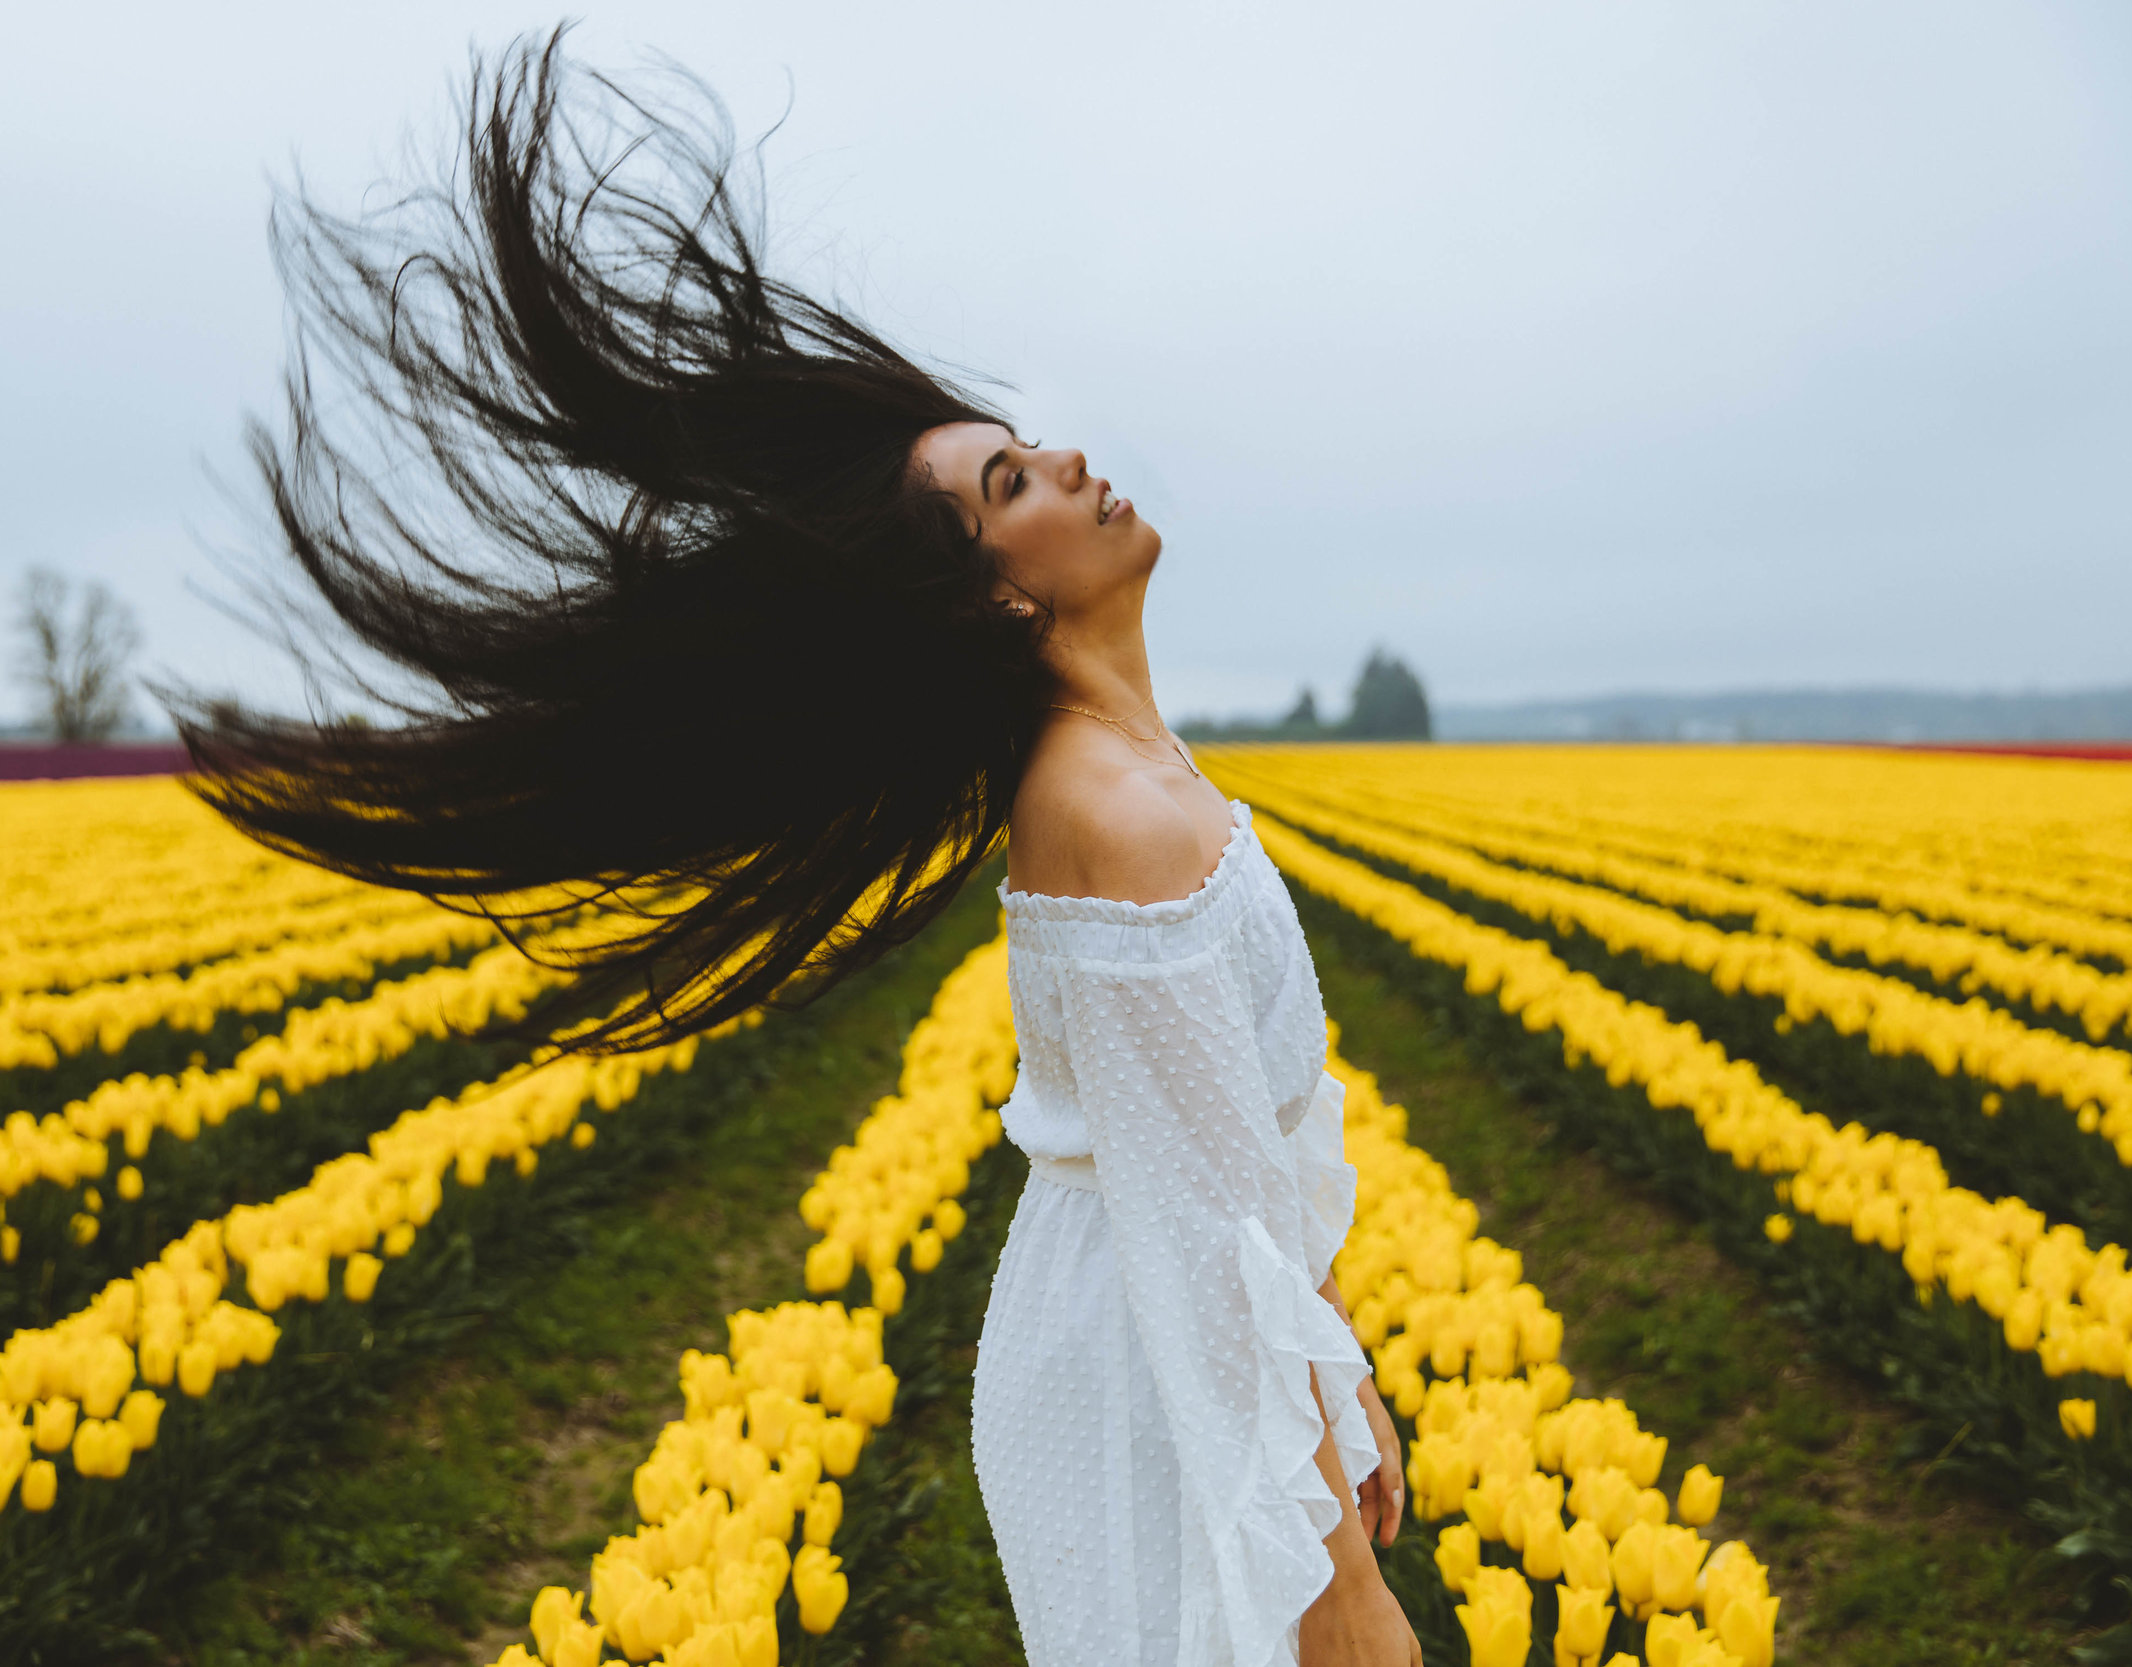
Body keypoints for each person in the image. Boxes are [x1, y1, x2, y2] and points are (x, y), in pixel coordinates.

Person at [154, 29, 1421, 1667]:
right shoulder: (1113, 812)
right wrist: (1343, 1588)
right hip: (1164, 1379)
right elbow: (1207, 1246)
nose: (1077, 464)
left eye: (1026, 447)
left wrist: (1341, 1379)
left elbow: (1232, 1212)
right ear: (1000, 595)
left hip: (1153, 1349)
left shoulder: (1119, 771)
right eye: (1015, 478)